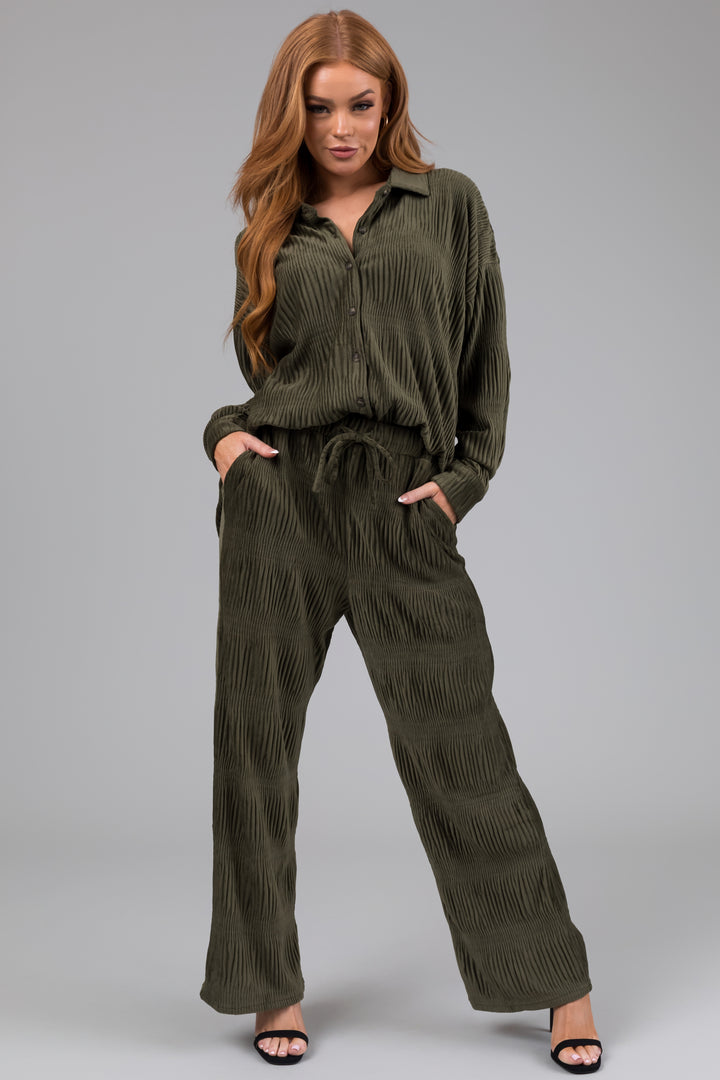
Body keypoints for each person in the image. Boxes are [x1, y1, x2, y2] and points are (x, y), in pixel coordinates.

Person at [198, 8, 604, 1073]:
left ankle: (559, 982)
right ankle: (269, 986)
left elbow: (487, 360)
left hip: (400, 501)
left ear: (391, 104)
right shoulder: (269, 226)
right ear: (293, 114)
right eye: (319, 108)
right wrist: (225, 441)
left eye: (360, 105)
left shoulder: (448, 205)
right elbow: (263, 378)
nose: (341, 128)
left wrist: (462, 483)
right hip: (281, 504)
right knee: (253, 753)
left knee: (461, 748)